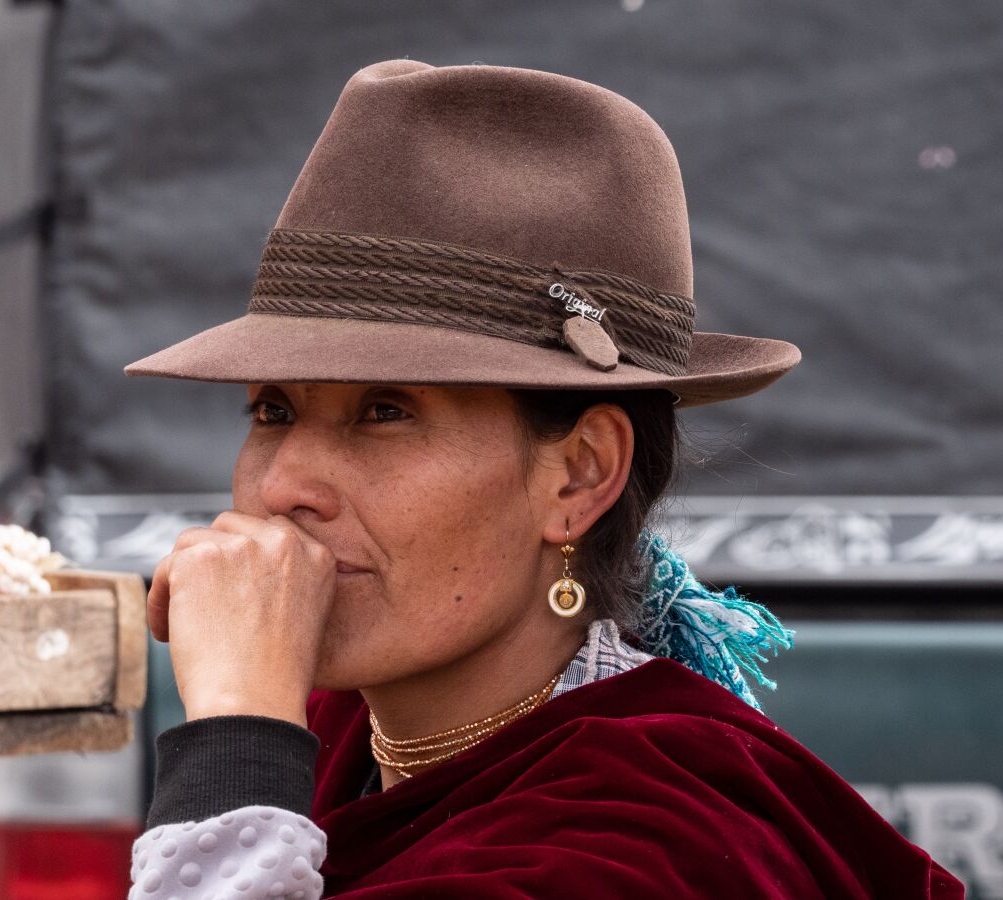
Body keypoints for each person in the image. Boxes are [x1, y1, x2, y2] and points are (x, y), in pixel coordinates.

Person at [118, 60, 963, 898]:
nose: (284, 488)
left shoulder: (648, 850)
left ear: (578, 476)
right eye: (271, 412)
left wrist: (235, 739)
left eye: (384, 412)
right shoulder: (350, 736)